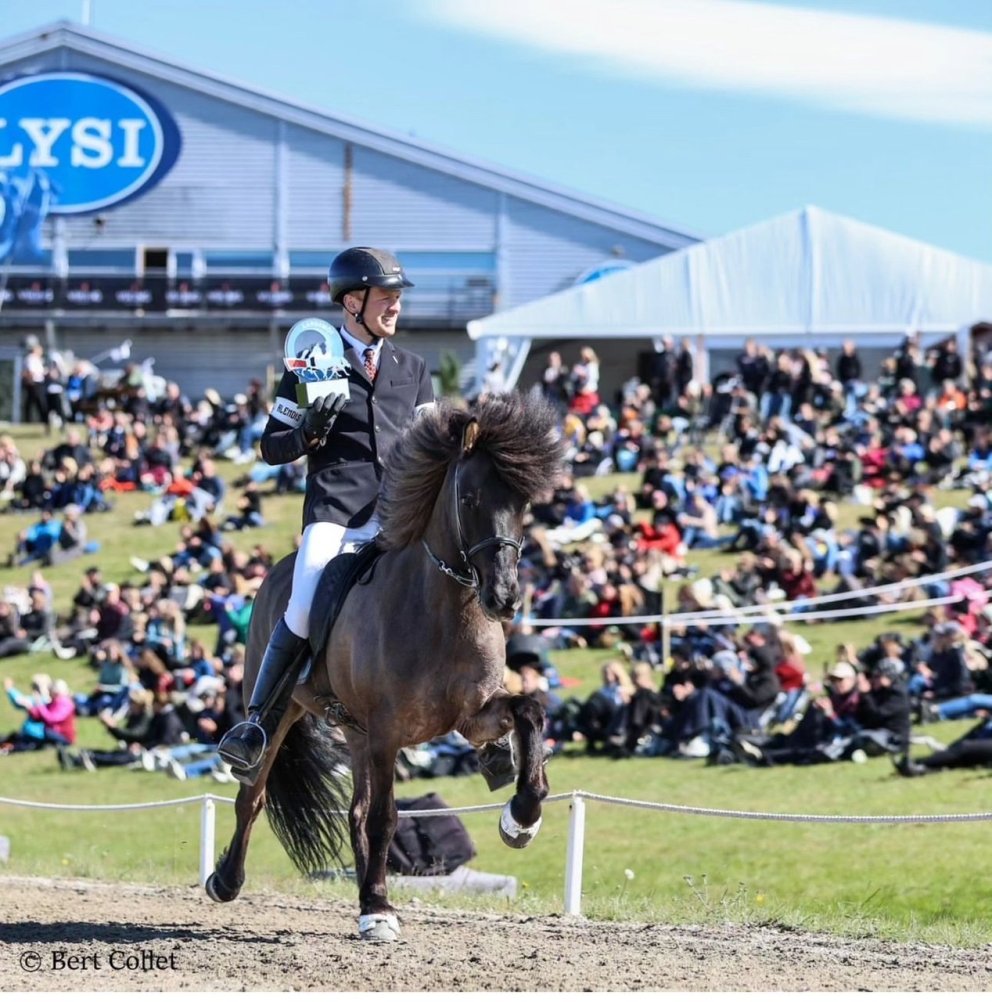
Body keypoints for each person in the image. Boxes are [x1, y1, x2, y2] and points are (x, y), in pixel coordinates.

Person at [219, 247, 433, 780]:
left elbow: (433, 443)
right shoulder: (309, 363)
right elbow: (271, 447)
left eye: (398, 299)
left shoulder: (414, 368)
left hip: (400, 513)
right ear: (353, 301)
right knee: (302, 601)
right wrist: (307, 433)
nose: (395, 308)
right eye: (386, 297)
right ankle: (257, 726)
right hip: (336, 510)